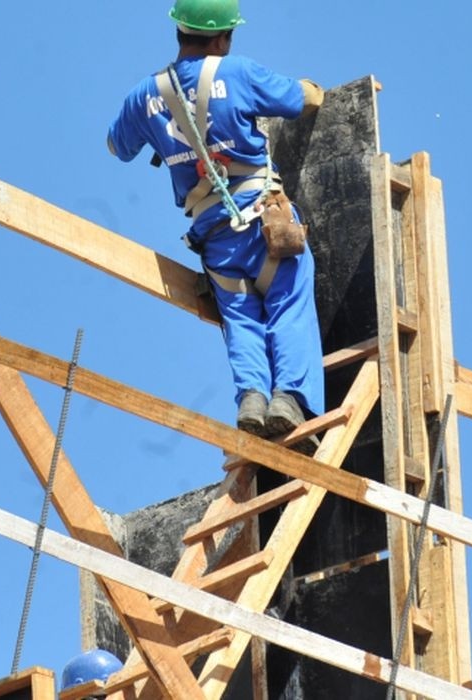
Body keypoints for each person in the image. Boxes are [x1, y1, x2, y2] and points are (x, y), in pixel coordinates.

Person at [107, 0, 326, 449]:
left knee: (241, 316)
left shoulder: (144, 95)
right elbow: (301, 98)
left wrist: (160, 131)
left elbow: (116, 147)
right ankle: (288, 399)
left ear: (179, 32)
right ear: (224, 37)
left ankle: (251, 398)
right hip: (263, 218)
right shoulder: (240, 73)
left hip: (214, 237)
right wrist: (312, 88)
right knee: (288, 301)